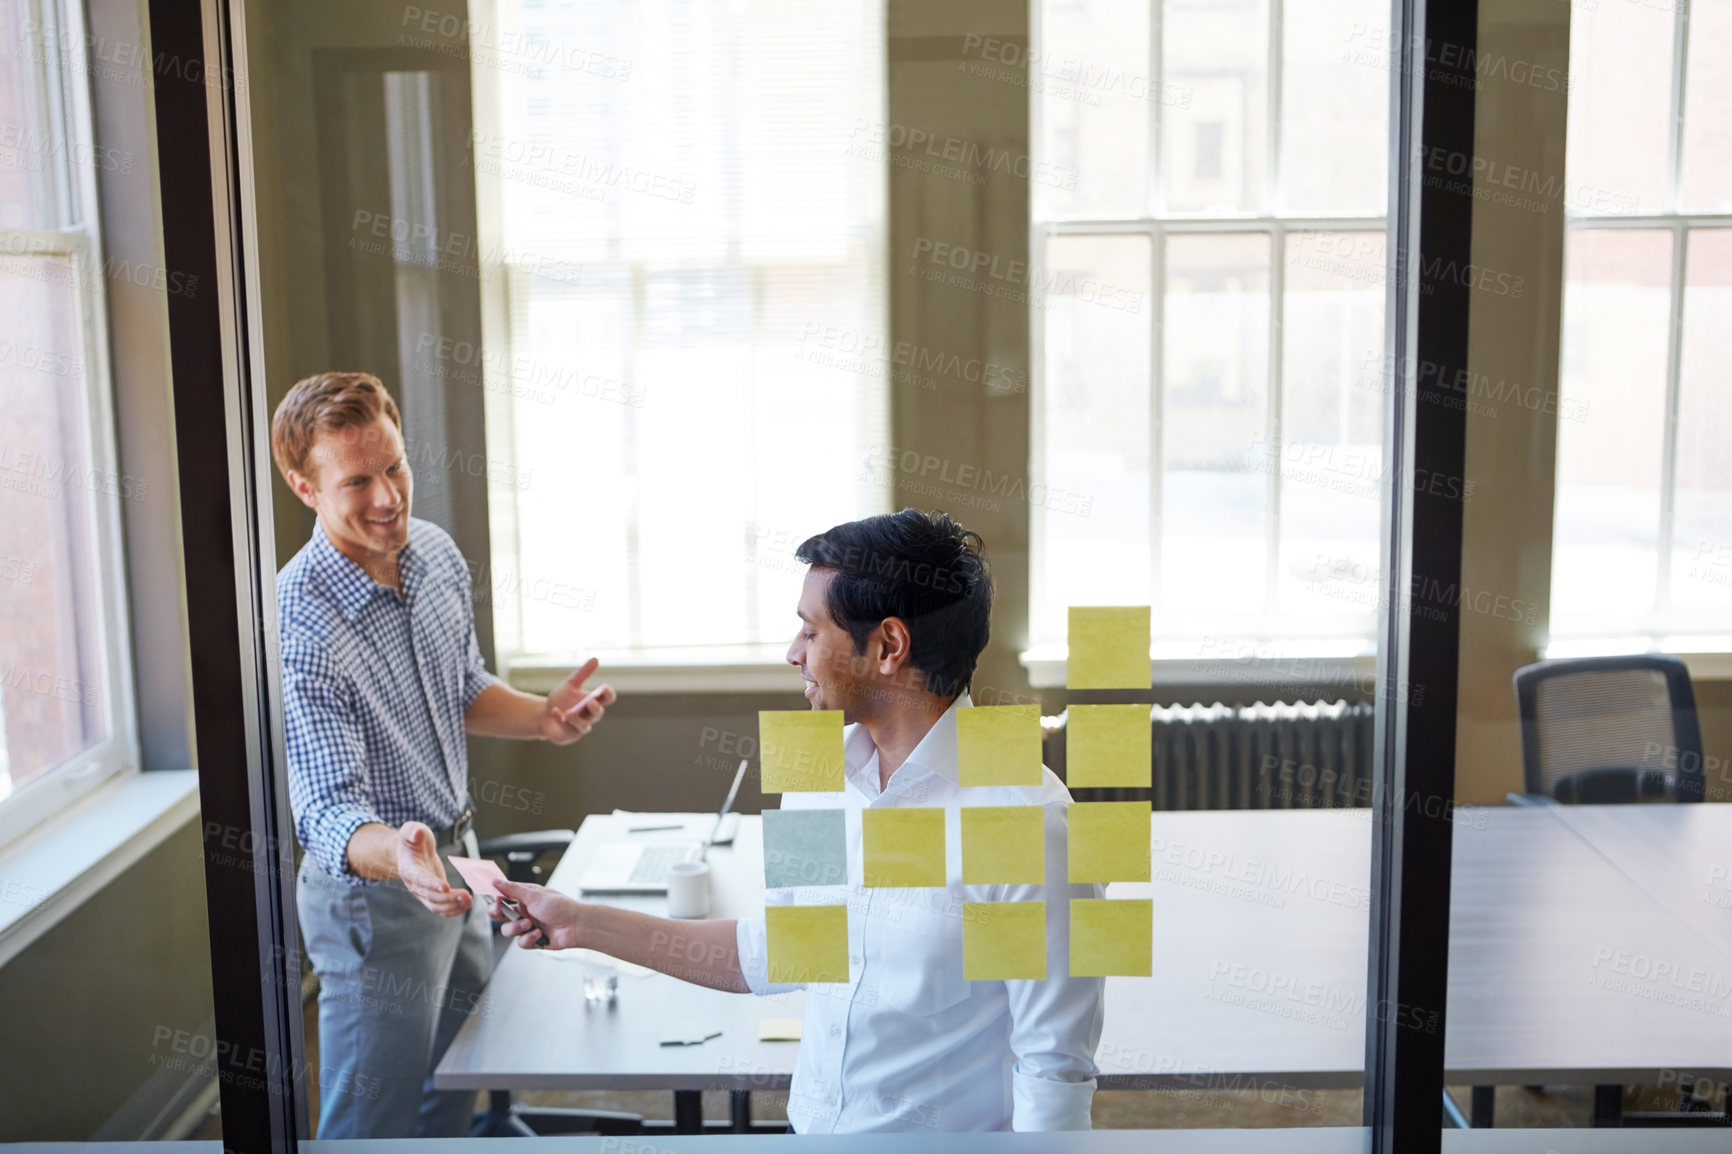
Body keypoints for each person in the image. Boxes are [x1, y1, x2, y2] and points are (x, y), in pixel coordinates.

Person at [495, 509, 1105, 1132]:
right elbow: (772, 954)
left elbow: (1052, 1068)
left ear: (888, 647)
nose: (794, 654)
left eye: (810, 633)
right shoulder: (819, 778)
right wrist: (581, 923)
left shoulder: (1029, 826)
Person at [271, 371, 617, 1138]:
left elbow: (461, 686)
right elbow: (326, 810)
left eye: (394, 466)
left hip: (460, 863)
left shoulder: (433, 553)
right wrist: (404, 856)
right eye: (358, 480)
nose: (388, 496)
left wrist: (543, 719)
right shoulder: (296, 617)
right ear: (304, 486)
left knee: (450, 1092)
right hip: (378, 898)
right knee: (373, 1124)